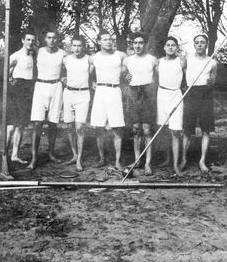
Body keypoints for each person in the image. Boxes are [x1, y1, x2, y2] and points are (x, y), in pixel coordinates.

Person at [179, 34, 217, 173]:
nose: (200, 44)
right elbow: (180, 72)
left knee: (206, 130)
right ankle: (183, 159)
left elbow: (213, 79)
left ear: (206, 44)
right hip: (190, 93)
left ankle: (202, 161)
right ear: (194, 45)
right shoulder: (188, 58)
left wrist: (211, 81)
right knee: (187, 130)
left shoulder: (212, 61)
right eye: (197, 42)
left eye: (202, 42)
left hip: (205, 95)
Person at [28, 31, 65, 170]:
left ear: (57, 39)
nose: (51, 40)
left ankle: (51, 153)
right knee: (37, 123)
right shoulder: (39, 51)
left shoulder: (63, 53)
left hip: (56, 87)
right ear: (44, 39)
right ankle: (34, 158)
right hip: (41, 86)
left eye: (54, 37)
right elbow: (21, 53)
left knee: (53, 123)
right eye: (49, 37)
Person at [123, 32, 158, 176]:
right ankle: (137, 160)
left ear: (145, 44)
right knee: (136, 129)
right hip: (133, 93)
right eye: (135, 43)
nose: (137, 46)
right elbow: (124, 76)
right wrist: (125, 76)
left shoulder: (153, 60)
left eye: (140, 43)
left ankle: (148, 163)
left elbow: (159, 77)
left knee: (147, 130)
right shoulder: (127, 60)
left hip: (148, 94)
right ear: (132, 44)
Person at [90, 32, 126, 170]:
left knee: (117, 128)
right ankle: (102, 158)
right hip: (100, 92)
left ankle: (117, 161)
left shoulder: (121, 55)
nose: (109, 42)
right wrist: (92, 82)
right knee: (99, 128)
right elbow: (87, 74)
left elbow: (128, 73)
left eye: (111, 39)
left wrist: (128, 78)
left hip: (114, 91)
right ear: (99, 41)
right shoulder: (94, 58)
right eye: (105, 39)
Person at [63, 36, 93, 171]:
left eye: (79, 46)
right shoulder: (66, 59)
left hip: (83, 94)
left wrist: (93, 82)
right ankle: (74, 155)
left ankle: (79, 159)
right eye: (74, 45)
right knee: (69, 126)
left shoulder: (89, 59)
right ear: (70, 47)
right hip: (68, 93)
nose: (76, 48)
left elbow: (95, 73)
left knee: (79, 127)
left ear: (84, 46)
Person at [157, 36, 185, 176]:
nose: (170, 47)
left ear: (176, 47)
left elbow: (189, 76)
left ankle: (175, 165)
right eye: (168, 45)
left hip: (176, 95)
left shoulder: (181, 61)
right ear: (164, 47)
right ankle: (168, 159)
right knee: (164, 129)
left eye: (173, 45)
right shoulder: (159, 62)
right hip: (162, 95)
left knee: (175, 131)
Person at [7, 32, 36, 164]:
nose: (30, 42)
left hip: (28, 90)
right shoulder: (16, 55)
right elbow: (4, 70)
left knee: (21, 126)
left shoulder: (32, 54)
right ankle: (4, 155)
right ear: (23, 40)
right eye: (28, 39)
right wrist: (10, 79)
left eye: (32, 40)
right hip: (17, 90)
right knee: (12, 126)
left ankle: (14, 155)